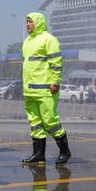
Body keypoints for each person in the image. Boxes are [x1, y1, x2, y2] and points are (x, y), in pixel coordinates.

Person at [21, 12, 71, 165]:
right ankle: (38, 154)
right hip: (29, 90)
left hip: (45, 90)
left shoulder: (49, 40)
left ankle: (65, 151)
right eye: (27, 22)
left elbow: (56, 63)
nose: (28, 24)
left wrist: (55, 82)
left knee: (50, 121)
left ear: (38, 22)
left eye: (30, 22)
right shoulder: (27, 41)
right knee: (35, 123)